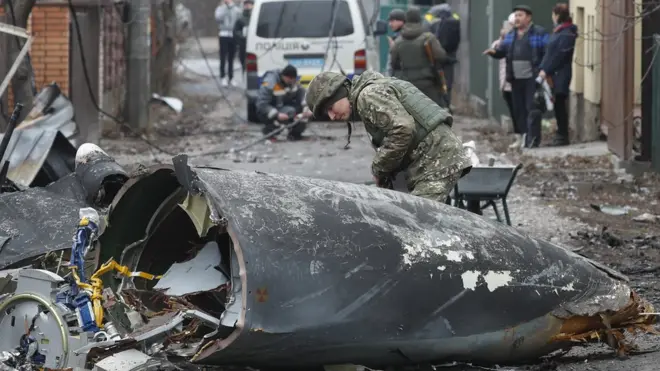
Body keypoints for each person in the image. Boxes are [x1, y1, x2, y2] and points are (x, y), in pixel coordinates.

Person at [305, 70, 472, 203]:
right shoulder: (371, 91)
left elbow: (403, 129)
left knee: (421, 225)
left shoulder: (367, 95)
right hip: (432, 159)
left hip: (438, 160)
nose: (332, 116)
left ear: (339, 94)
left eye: (330, 108)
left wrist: (379, 168)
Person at [483, 4, 549, 148]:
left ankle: (533, 140)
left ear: (528, 17)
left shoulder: (539, 32)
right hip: (515, 79)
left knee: (532, 108)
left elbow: (547, 53)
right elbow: (503, 51)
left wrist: (543, 72)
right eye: (516, 16)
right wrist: (493, 52)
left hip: (532, 78)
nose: (517, 18)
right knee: (519, 110)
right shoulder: (511, 35)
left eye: (521, 15)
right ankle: (523, 138)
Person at [390, 7, 448, 108]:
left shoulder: (398, 41)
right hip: (428, 84)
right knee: (434, 112)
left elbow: (393, 63)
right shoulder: (429, 38)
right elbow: (441, 56)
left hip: (407, 85)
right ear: (419, 19)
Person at [539, 3, 577, 147]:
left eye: (554, 15)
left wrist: (546, 69)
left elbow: (558, 55)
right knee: (557, 104)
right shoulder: (560, 31)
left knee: (560, 103)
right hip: (554, 73)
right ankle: (560, 133)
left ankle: (563, 134)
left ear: (557, 15)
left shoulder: (566, 33)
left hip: (560, 73)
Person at [256, 65, 313, 141]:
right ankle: (269, 132)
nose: (292, 81)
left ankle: (295, 134)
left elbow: (302, 93)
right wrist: (277, 114)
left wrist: (307, 108)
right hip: (269, 110)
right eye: (290, 79)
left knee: (302, 113)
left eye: (293, 79)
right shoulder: (270, 83)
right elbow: (261, 104)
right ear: (284, 76)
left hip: (283, 107)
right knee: (288, 113)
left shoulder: (292, 81)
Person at [492, 13, 521, 150]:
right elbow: (495, 48)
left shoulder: (517, 39)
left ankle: (522, 137)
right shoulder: (504, 40)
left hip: (515, 81)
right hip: (505, 81)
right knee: (512, 110)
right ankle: (518, 137)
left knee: (519, 110)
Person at [424, 3, 461, 106]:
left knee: (435, 82)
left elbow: (425, 34)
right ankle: (447, 105)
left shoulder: (430, 16)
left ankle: (437, 105)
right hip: (450, 56)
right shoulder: (454, 16)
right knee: (447, 83)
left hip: (435, 57)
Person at [215, 0, 242, 87]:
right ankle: (223, 77)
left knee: (231, 57)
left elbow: (239, 20)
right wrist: (225, 8)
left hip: (233, 35)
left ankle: (231, 77)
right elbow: (218, 18)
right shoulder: (220, 8)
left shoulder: (236, 10)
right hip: (223, 34)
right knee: (223, 57)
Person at [234, 0, 254, 75]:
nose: (248, 6)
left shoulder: (257, 17)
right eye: (246, 4)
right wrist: (242, 37)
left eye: (249, 4)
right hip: (243, 44)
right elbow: (236, 31)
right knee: (244, 63)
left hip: (254, 43)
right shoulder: (240, 19)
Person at [385, 9, 405, 77]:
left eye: (392, 21)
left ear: (401, 21)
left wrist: (393, 48)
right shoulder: (398, 36)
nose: (390, 24)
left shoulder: (403, 37)